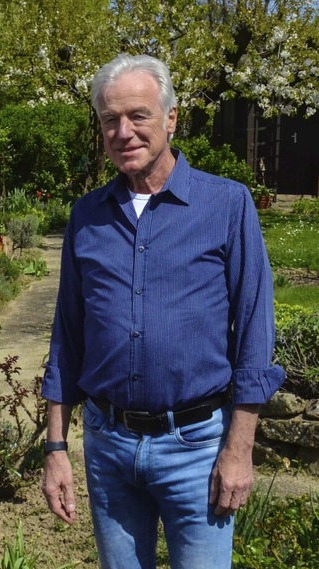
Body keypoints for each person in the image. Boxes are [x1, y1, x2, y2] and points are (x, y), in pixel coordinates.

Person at [41, 54, 285, 569]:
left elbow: (255, 334)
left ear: (171, 118)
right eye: (110, 119)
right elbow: (66, 337)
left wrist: (239, 449)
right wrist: (56, 447)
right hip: (108, 448)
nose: (123, 131)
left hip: (196, 447)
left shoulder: (227, 205)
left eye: (138, 116)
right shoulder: (87, 216)